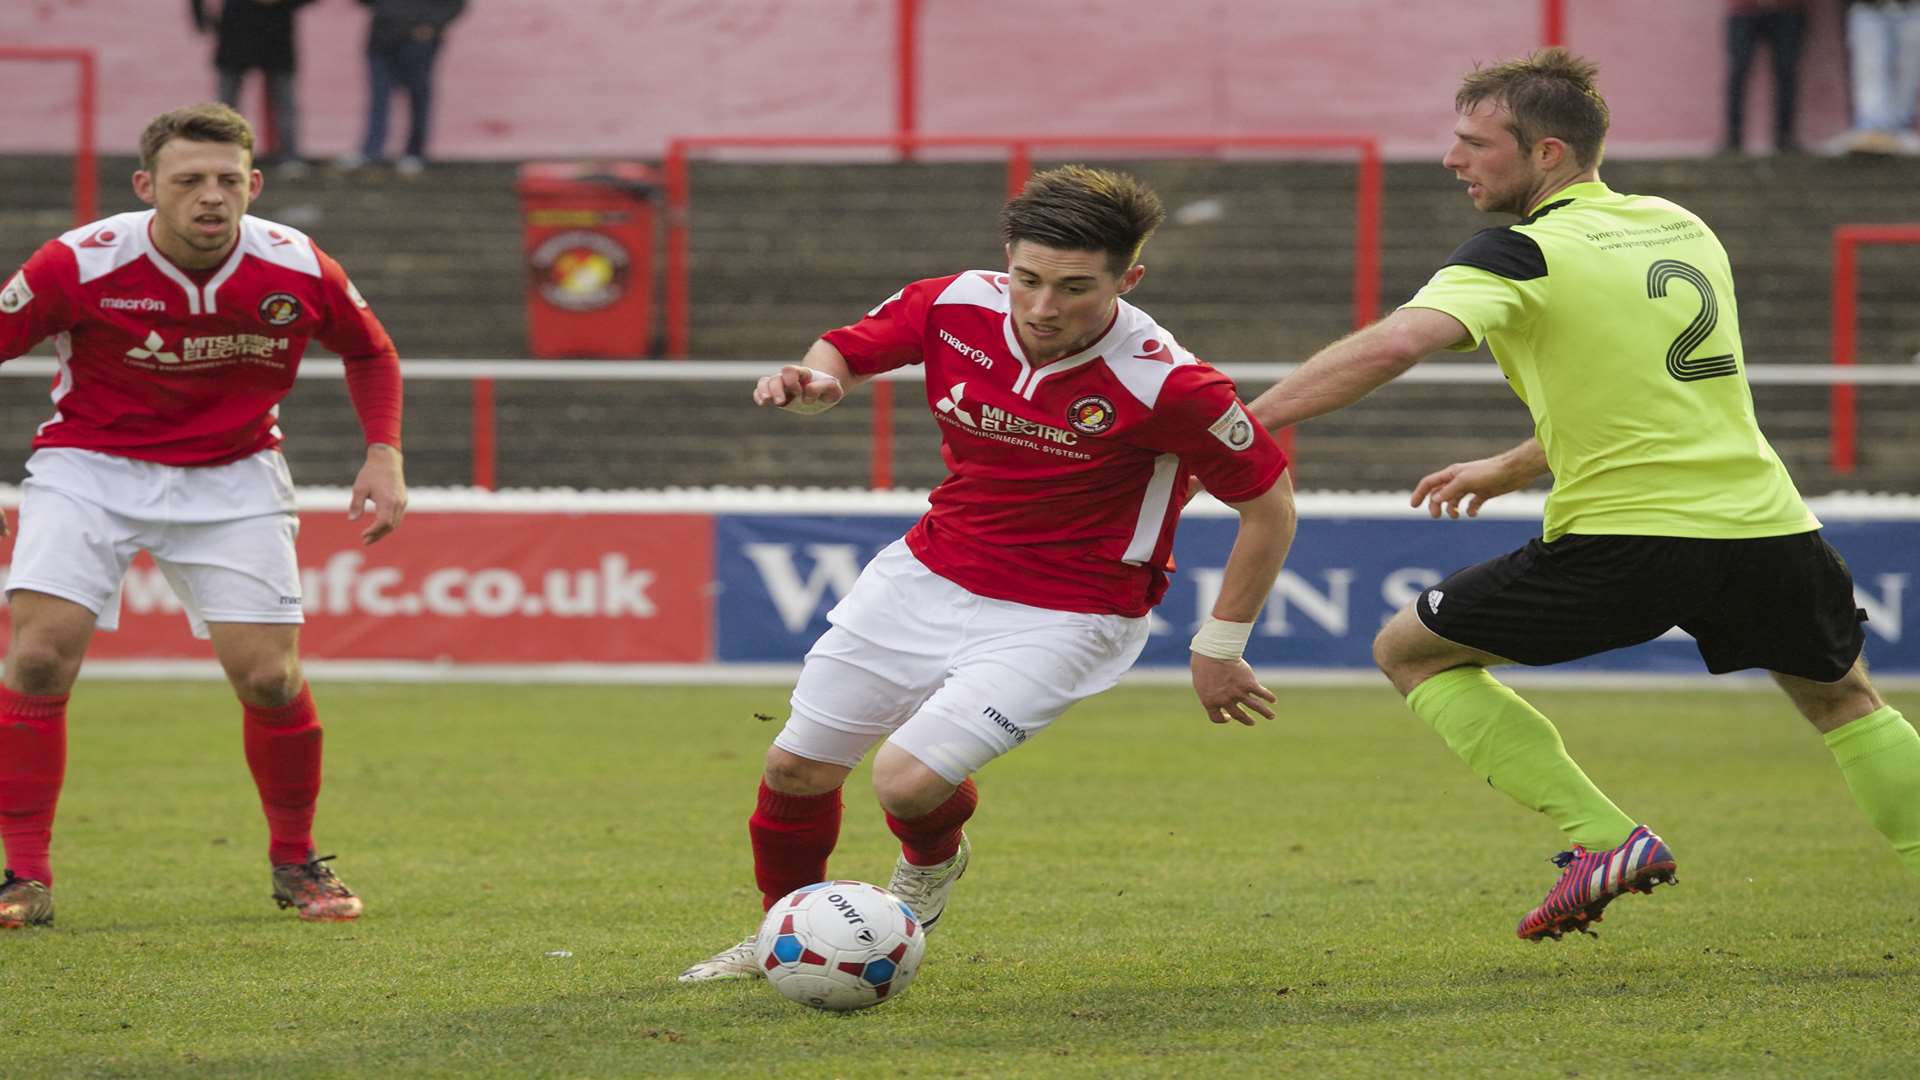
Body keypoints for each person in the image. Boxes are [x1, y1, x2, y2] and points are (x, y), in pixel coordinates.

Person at [1247, 48, 1919, 942]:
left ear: (1549, 154)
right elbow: (1654, 393)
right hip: (1767, 524)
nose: (1453, 160)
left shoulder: (1519, 251)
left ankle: (1601, 837)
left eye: (1475, 143)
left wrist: (1236, 424)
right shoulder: (1678, 225)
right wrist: (1515, 463)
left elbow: (1395, 344)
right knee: (1847, 704)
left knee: (1412, 652)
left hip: (1632, 538)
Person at [678, 165, 1298, 981]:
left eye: (1075, 288)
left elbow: (1272, 506)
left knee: (904, 783)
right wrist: (820, 382)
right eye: (1027, 279)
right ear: (1006, 258)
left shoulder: (1169, 382)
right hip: (928, 572)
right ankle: (781, 939)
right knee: (794, 769)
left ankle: (931, 864)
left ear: (1129, 278)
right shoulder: (952, 303)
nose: (1042, 309)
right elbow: (845, 351)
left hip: (1071, 611)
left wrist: (1219, 646)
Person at [0, 102, 408, 929]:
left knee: (270, 678)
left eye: (228, 180)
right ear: (149, 186)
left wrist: (383, 452)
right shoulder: (76, 264)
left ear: (254, 184)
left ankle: (297, 861)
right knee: (38, 661)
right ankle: (24, 877)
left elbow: (370, 350)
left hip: (232, 476)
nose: (211, 197)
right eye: (189, 181)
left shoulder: (296, 265)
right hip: (90, 467)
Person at [342, 0, 467, 175]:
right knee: (378, 98)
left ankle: (414, 152)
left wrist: (431, 24)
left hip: (417, 41)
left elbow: (456, 5)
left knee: (418, 97)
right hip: (382, 36)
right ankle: (371, 151)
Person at [190, 0, 316, 172]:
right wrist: (201, 17)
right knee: (227, 102)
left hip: (276, 30)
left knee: (283, 99)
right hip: (236, 28)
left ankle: (289, 155)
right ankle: (224, 154)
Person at [1724, 0, 1809, 154]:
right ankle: (1733, 137)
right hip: (1744, 9)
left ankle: (1785, 137)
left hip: (1787, 9)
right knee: (1738, 71)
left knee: (1786, 72)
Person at [1841, 0, 1920, 154]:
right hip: (1868, 7)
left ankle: (1899, 131)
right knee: (1869, 69)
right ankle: (1872, 129)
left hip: (1912, 8)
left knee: (1907, 74)